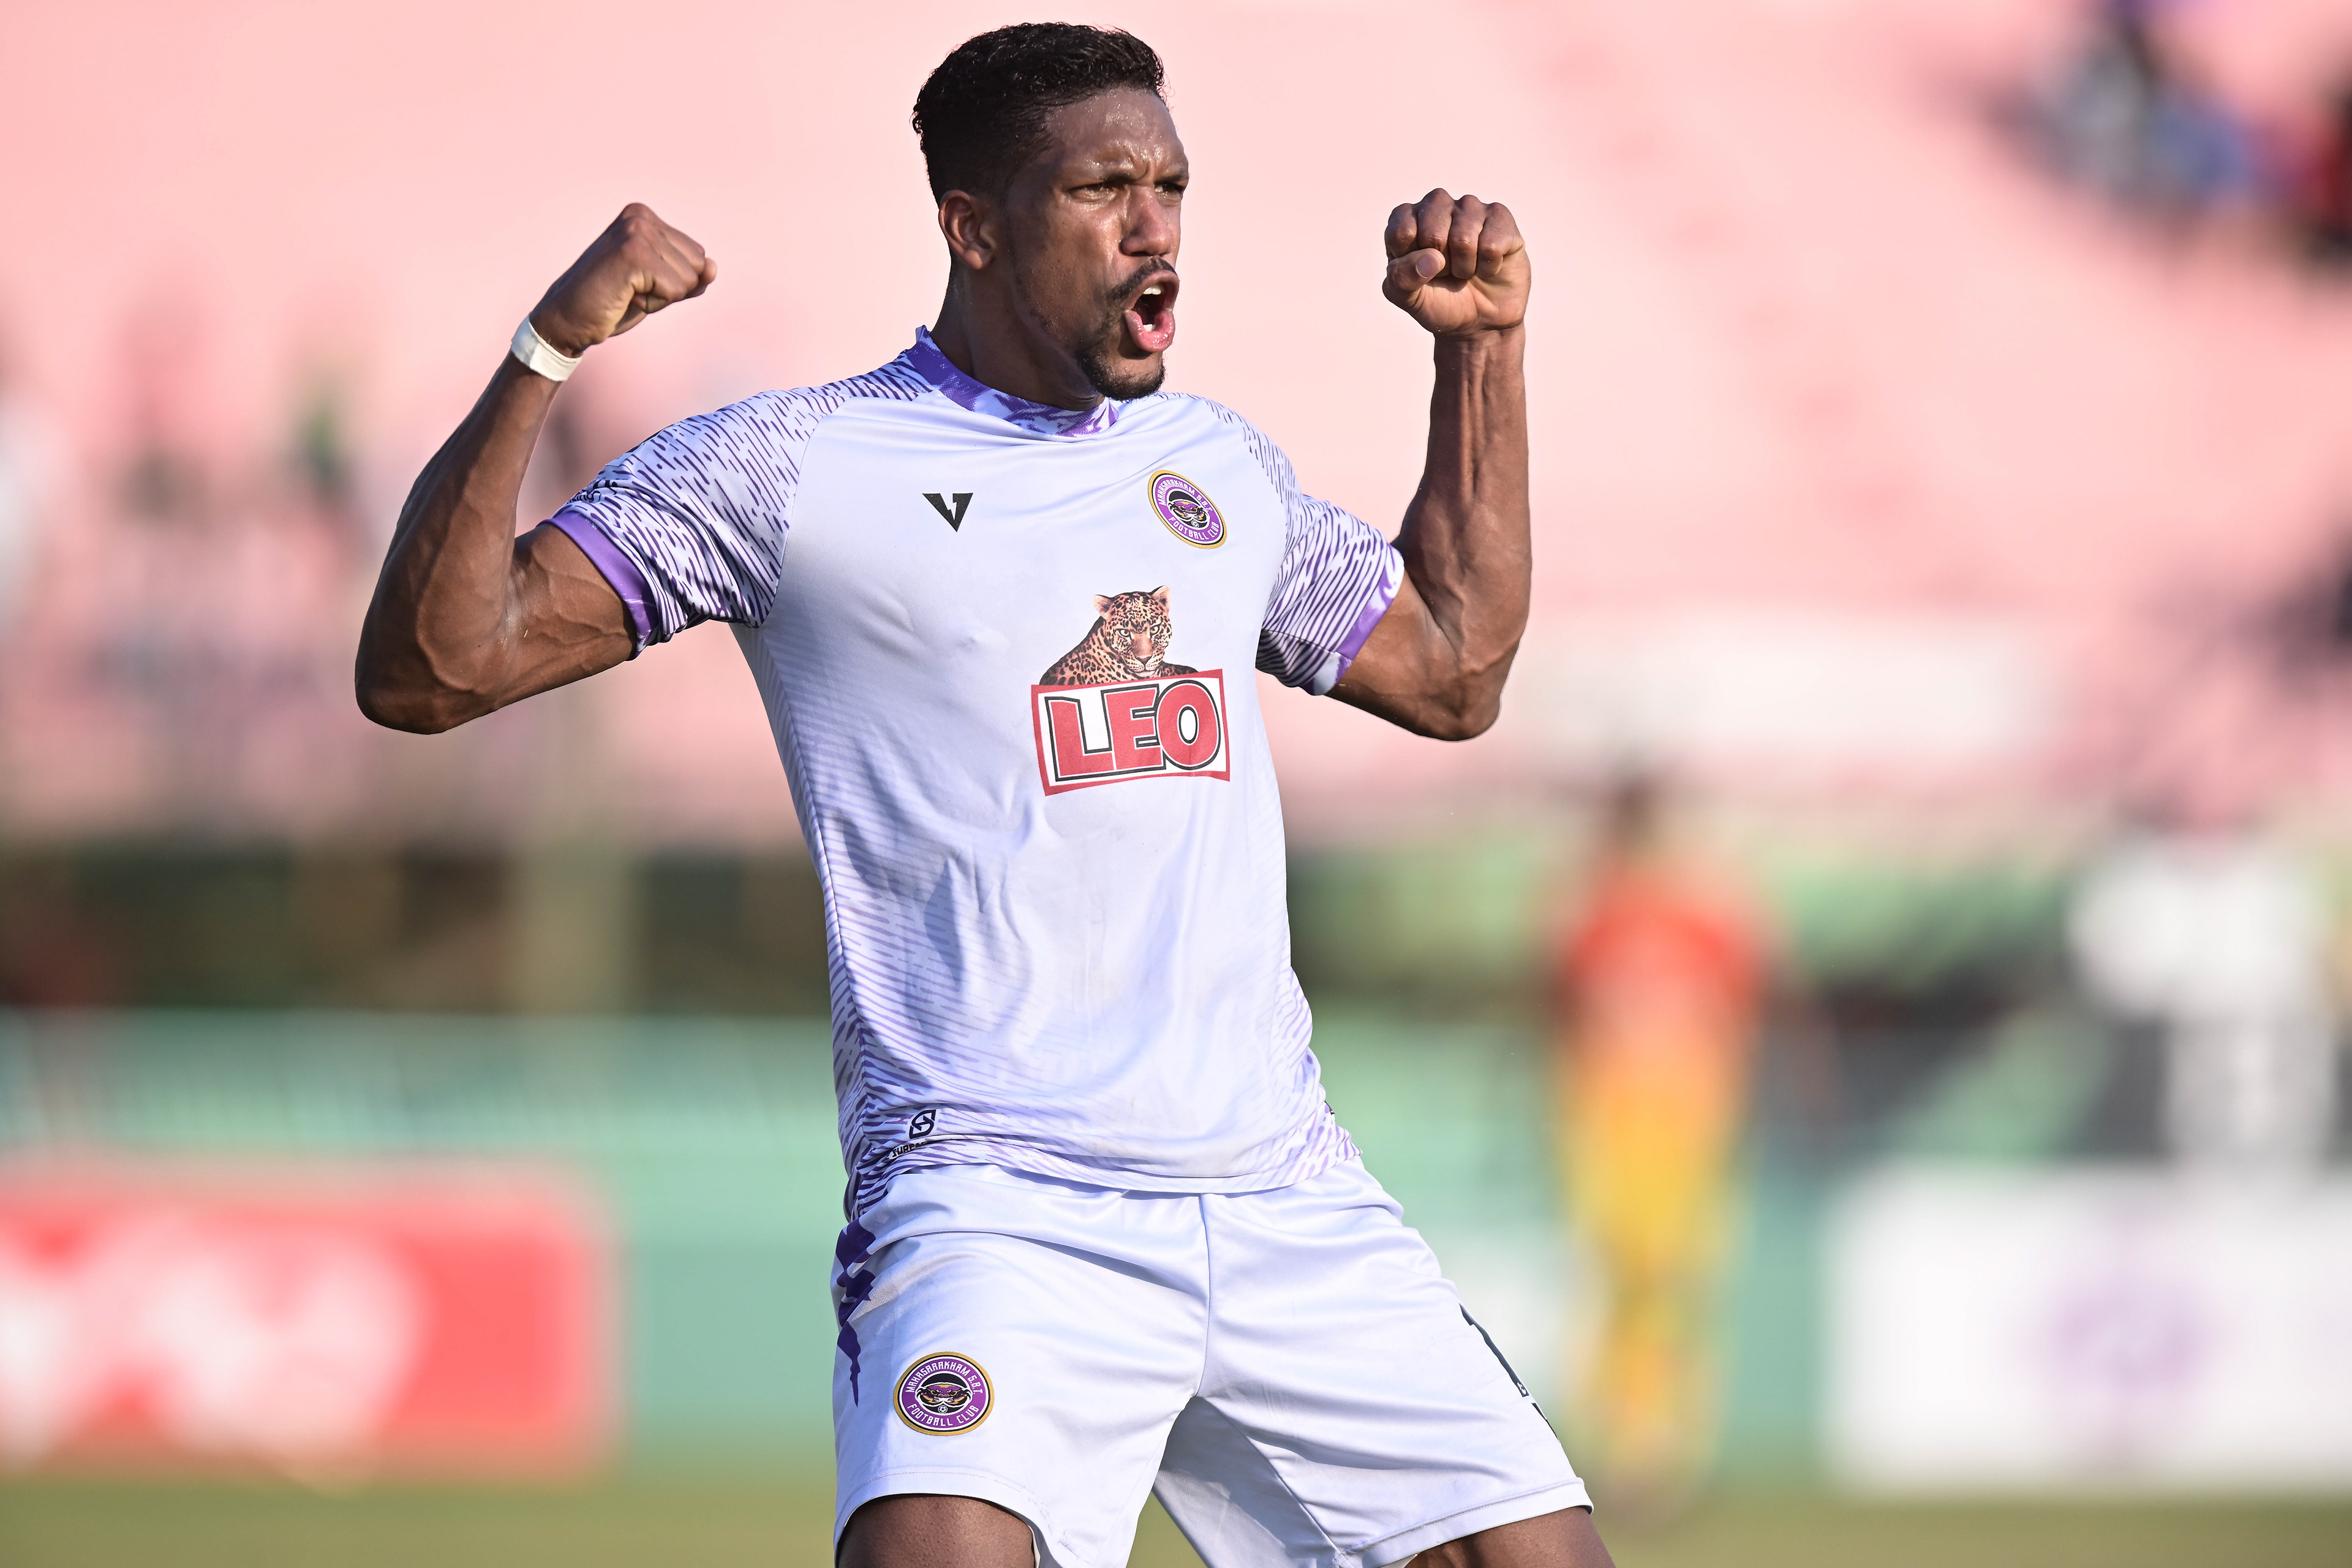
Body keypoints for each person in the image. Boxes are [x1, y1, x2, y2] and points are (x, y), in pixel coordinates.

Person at [357, 23, 1606, 1568]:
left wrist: (1479, 354)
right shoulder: (789, 470)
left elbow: (1452, 671)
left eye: (1170, 185)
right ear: (974, 227)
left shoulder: (1216, 467)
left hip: (1282, 1186)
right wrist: (546, 351)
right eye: (1100, 188)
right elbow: (432, 667)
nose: (1152, 226)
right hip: (997, 1197)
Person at [1550, 774, 1766, 1513]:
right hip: (1613, 1128)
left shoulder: (1698, 911)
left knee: (1673, 1287)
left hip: (1683, 1128)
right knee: (1627, 1286)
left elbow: (1737, 1020)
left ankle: (1662, 1448)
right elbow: (1563, 1014)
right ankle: (1626, 1444)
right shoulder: (1594, 910)